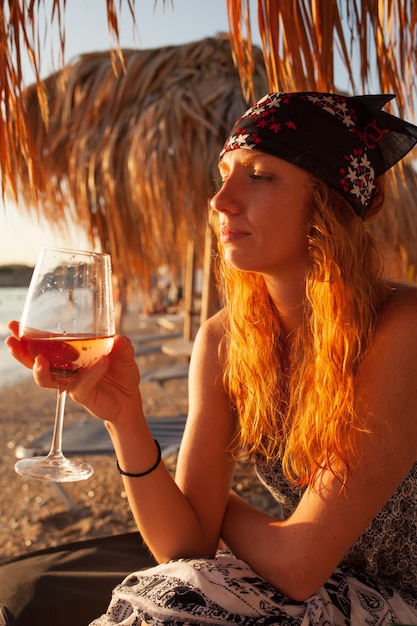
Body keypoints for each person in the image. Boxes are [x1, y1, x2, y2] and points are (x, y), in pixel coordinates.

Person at [6, 91, 417, 625]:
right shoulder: (226, 340)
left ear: (327, 202)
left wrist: (211, 508)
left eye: (260, 175)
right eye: (223, 174)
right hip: (332, 589)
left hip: (396, 593)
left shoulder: (400, 325)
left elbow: (297, 565)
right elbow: (182, 545)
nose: (221, 200)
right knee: (173, 589)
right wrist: (126, 418)